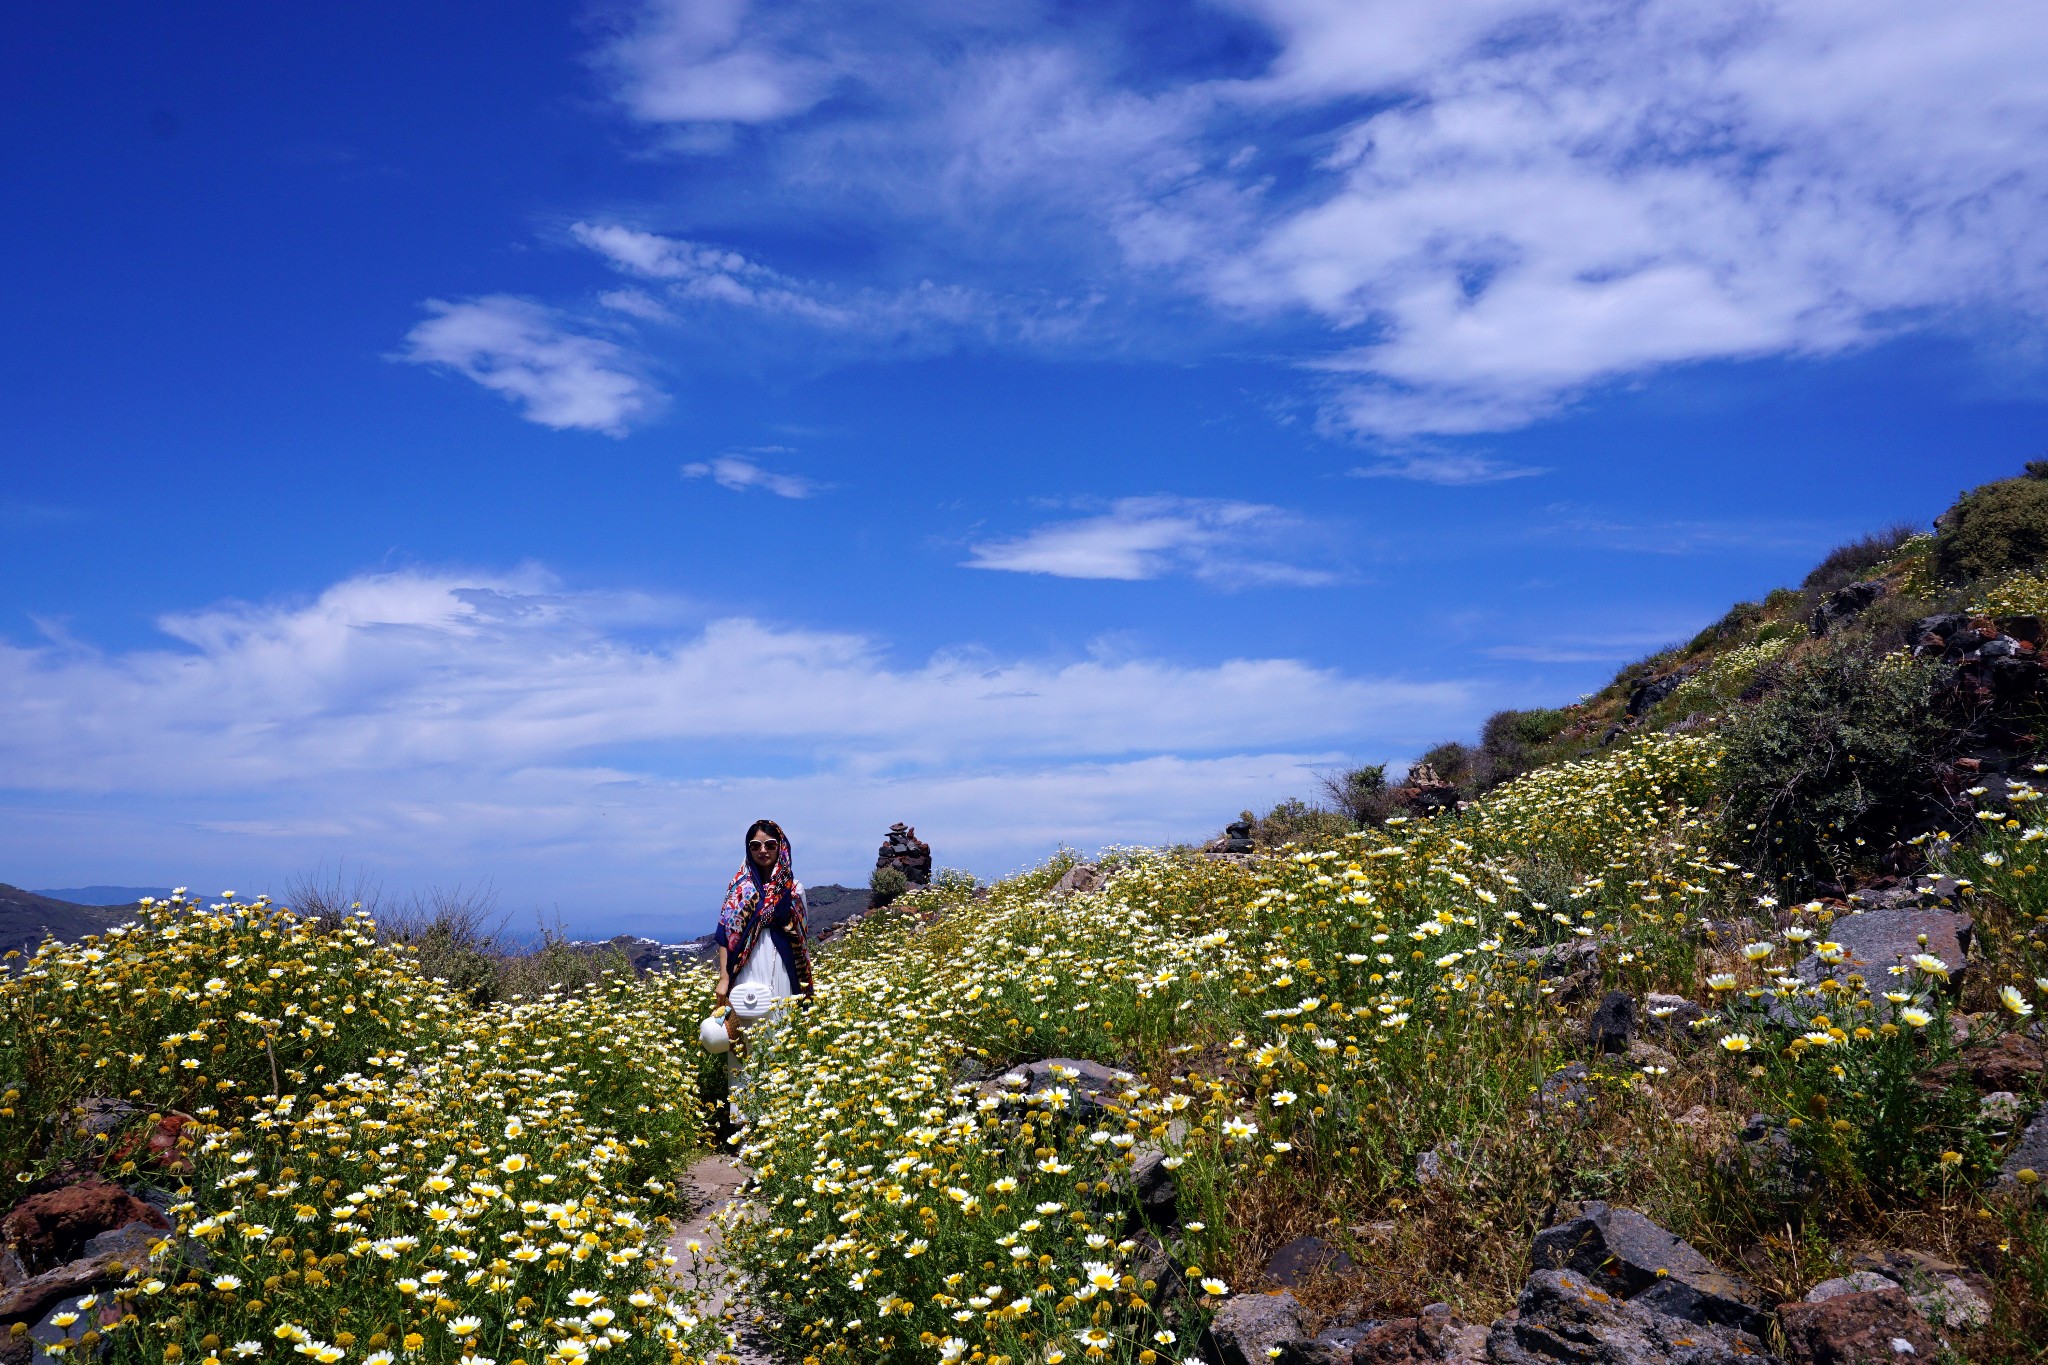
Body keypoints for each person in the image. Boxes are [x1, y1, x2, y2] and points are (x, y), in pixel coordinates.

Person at [712, 819, 813, 1123]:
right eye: (756, 845)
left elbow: (801, 936)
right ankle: (745, 1121)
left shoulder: (794, 888)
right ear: (748, 849)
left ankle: (781, 1118)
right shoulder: (740, 886)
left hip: (782, 969)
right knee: (742, 1041)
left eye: (770, 844)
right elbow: (724, 935)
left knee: (779, 1036)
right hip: (745, 970)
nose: (763, 850)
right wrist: (724, 978)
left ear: (781, 847)